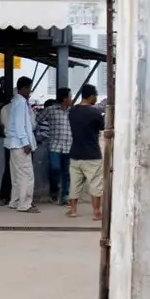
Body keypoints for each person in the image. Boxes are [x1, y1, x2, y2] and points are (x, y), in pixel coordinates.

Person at [68, 84, 112, 221]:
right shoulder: (95, 113)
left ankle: (73, 210)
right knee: (95, 184)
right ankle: (96, 212)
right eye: (96, 96)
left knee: (74, 184)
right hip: (92, 154)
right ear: (91, 96)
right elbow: (102, 127)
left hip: (75, 153)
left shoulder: (72, 111)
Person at [4, 76, 39, 214]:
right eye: (29, 88)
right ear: (24, 88)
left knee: (17, 175)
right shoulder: (21, 102)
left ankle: (16, 201)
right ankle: (25, 204)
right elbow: (20, 125)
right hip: (20, 145)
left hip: (14, 145)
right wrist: (26, 143)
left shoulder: (15, 102)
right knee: (26, 176)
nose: (30, 91)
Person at [41, 88, 74, 205]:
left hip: (69, 146)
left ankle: (65, 195)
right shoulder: (50, 110)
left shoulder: (72, 111)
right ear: (64, 99)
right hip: (54, 146)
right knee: (55, 169)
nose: (71, 99)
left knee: (67, 172)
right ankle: (54, 192)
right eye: (70, 97)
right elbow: (37, 121)